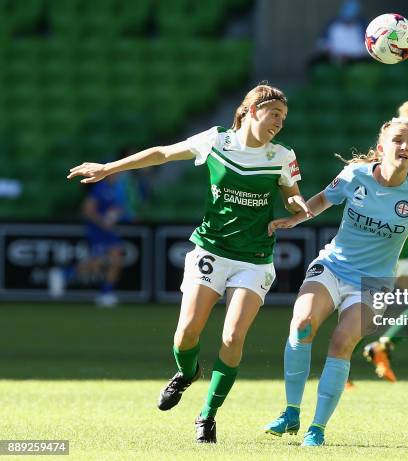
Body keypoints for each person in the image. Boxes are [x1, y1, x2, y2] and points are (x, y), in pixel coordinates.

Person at [67, 83, 312, 443]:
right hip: (210, 250)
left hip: (255, 258)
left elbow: (292, 196)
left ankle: (207, 416)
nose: (279, 122)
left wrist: (296, 208)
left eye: (284, 117)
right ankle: (187, 373)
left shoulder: (282, 156)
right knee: (186, 336)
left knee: (232, 336)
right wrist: (109, 168)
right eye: (274, 113)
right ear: (251, 111)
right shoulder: (216, 140)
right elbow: (162, 154)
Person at [263, 118, 408, 446]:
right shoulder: (355, 176)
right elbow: (325, 197)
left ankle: (317, 429)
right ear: (381, 148)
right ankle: (291, 411)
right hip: (333, 266)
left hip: (373, 284)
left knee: (342, 342)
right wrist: (297, 218)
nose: (405, 146)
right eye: (398, 140)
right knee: (303, 324)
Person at [363, 100, 408, 381]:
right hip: (384, 253)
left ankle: (384, 345)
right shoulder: (385, 163)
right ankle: (338, 364)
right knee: (366, 318)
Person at [48, 169, 135, 307]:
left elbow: (117, 209)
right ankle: (63, 274)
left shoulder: (117, 190)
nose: (118, 176)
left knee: (117, 258)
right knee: (97, 261)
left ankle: (106, 294)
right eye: (115, 173)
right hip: (97, 231)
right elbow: (87, 210)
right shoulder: (100, 188)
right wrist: (103, 222)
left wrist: (116, 215)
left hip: (109, 231)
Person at [309, 0, 369, 67]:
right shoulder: (333, 25)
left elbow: (366, 48)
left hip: (356, 63)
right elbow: (321, 43)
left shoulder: (361, 27)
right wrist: (329, 50)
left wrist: (350, 55)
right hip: (333, 62)